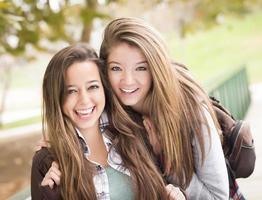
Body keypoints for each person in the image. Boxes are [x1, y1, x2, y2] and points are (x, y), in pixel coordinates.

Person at [31, 43, 185, 200]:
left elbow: (164, 187)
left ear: (104, 88)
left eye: (93, 87)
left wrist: (175, 195)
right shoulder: (46, 162)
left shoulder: (134, 131)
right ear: (55, 97)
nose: (84, 100)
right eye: (71, 91)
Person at [98, 17, 229, 199]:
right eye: (116, 68)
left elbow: (218, 197)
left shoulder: (190, 110)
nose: (127, 81)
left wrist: (168, 160)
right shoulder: (108, 106)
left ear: (155, 68)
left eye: (141, 68)